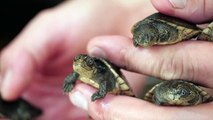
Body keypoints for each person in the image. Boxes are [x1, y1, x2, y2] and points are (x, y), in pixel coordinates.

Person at [0, 0, 213, 119]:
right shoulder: (83, 67)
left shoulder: (157, 32)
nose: (140, 41)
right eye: (139, 38)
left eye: (143, 38)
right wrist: (121, 9)